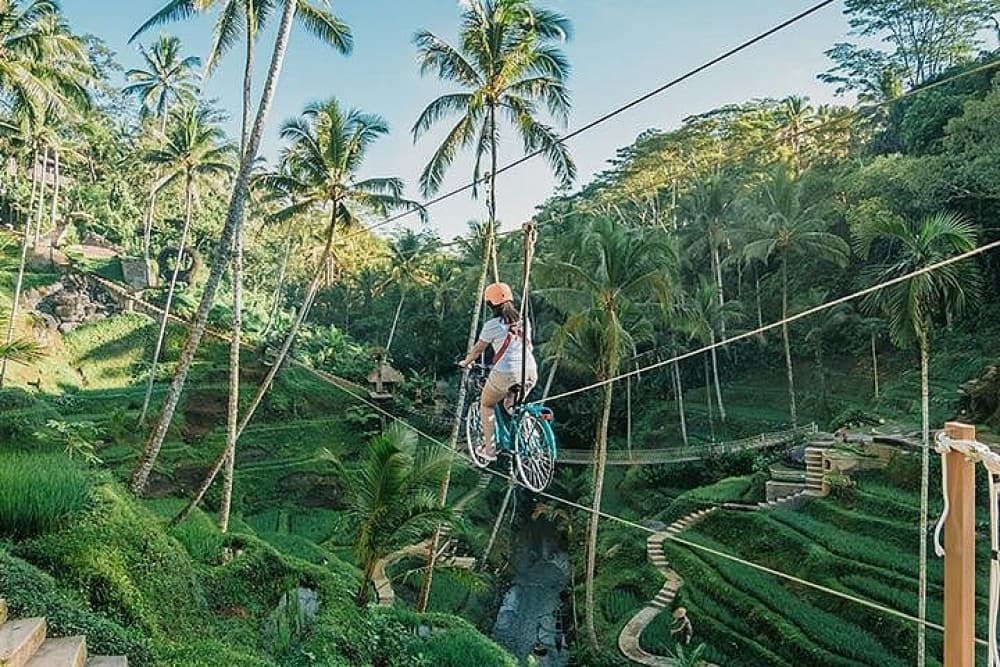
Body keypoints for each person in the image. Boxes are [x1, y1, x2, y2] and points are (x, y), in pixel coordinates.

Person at [458, 281, 538, 461]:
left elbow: (478, 350)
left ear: (490, 304)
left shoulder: (492, 325)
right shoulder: (524, 321)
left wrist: (466, 362)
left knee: (486, 405)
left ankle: (490, 450)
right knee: (512, 404)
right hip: (530, 370)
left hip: (505, 373)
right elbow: (529, 347)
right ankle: (529, 432)